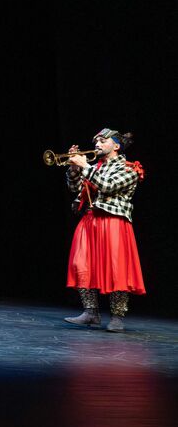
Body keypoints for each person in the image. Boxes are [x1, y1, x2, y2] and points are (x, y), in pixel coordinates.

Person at [63, 128, 145, 332]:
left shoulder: (129, 169)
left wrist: (84, 166)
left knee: (117, 269)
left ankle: (117, 317)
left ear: (116, 146)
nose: (97, 144)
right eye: (95, 141)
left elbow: (108, 186)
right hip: (90, 220)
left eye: (102, 140)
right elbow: (76, 189)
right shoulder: (95, 166)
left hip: (113, 222)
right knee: (81, 264)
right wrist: (74, 169)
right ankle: (91, 312)